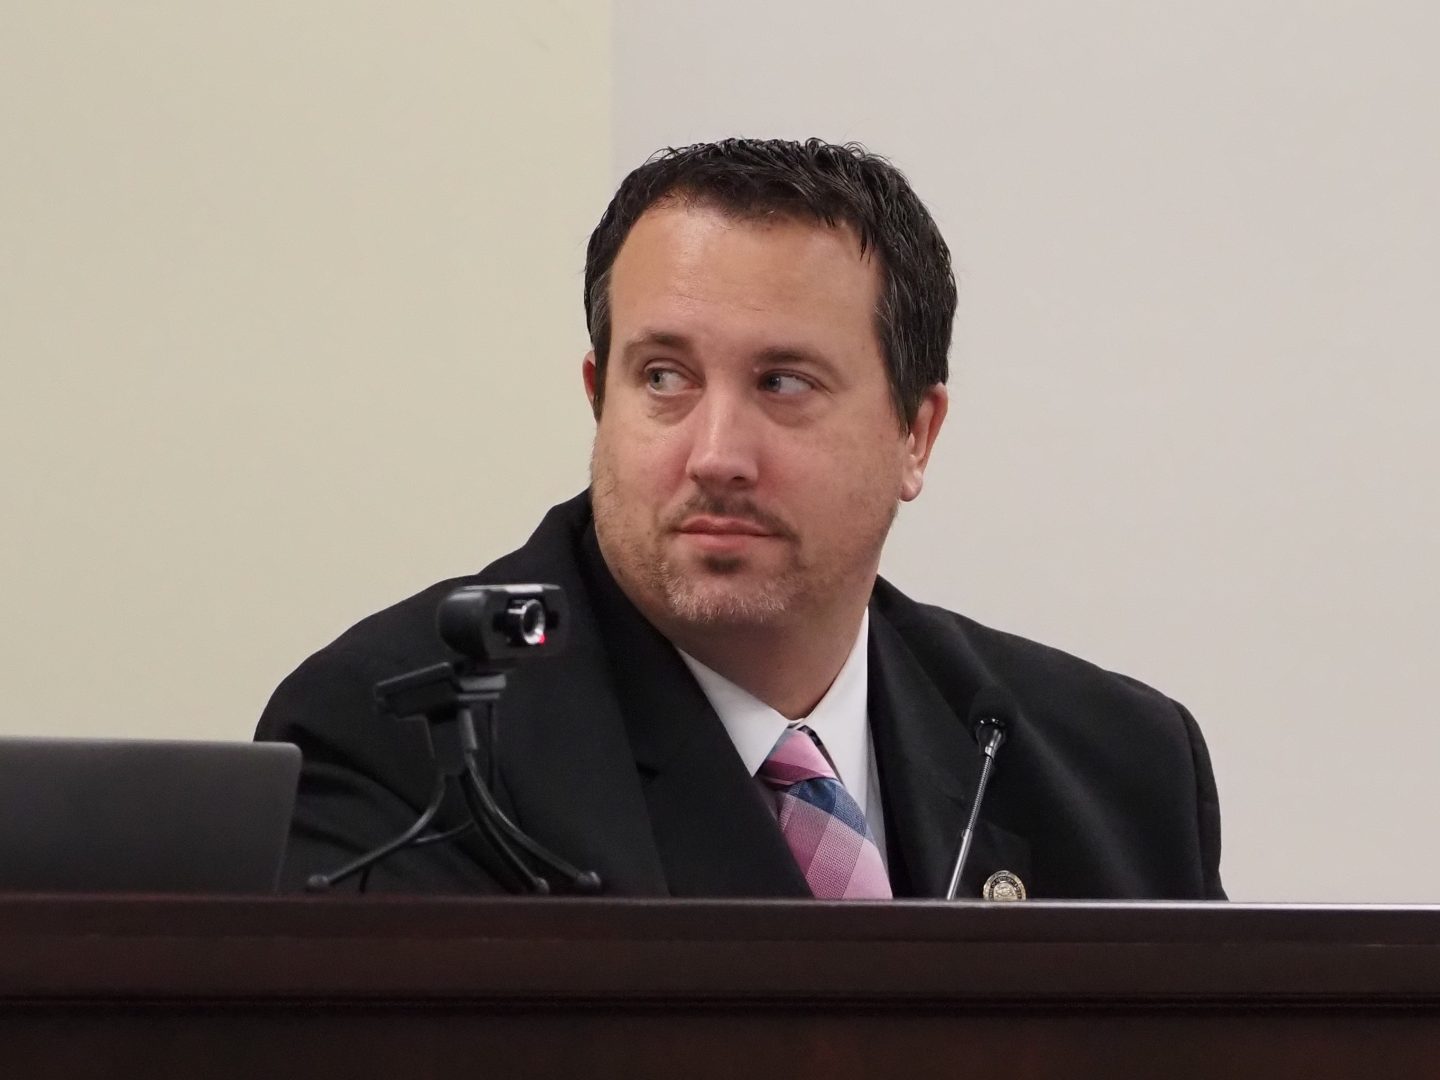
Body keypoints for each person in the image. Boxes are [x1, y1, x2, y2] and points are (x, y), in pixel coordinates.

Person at [256, 138, 1224, 900]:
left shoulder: (1114, 765)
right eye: (664, 379)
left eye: (785, 383)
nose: (716, 453)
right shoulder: (412, 738)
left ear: (915, 435)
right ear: (600, 398)